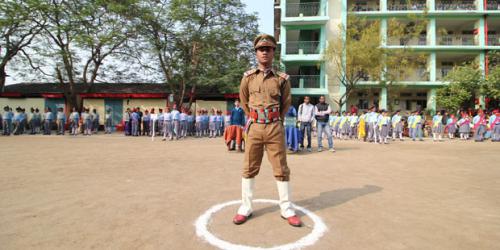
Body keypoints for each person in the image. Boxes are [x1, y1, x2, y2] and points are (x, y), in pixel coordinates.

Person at [233, 34, 301, 227]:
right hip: (254, 127)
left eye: (268, 49)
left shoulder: (282, 79)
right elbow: (244, 101)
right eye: (261, 49)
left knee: (281, 167)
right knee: (249, 167)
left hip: (274, 127)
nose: (264, 52)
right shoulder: (248, 78)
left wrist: (275, 121)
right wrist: (255, 118)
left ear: (273, 52)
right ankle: (245, 207)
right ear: (256, 53)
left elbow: (286, 104)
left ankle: (286, 208)